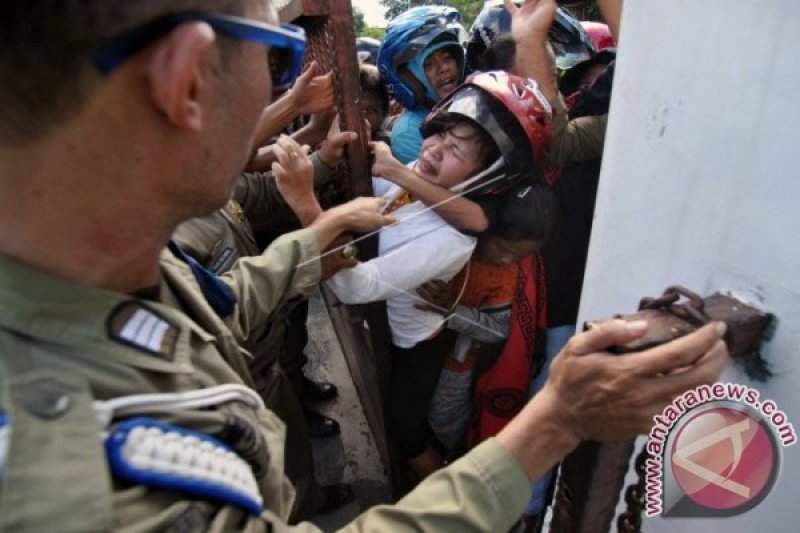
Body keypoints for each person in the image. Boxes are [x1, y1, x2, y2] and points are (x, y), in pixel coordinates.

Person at [0, 1, 730, 531]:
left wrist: (314, 235)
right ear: (187, 82)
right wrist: (556, 423)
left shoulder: (107, 261)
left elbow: (212, 303)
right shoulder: (91, 491)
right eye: (279, 56)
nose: (281, 92)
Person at [378, 5, 467, 164]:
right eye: (428, 64)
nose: (444, 68)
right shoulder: (409, 133)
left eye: (447, 57)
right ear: (410, 78)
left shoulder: (470, 106)